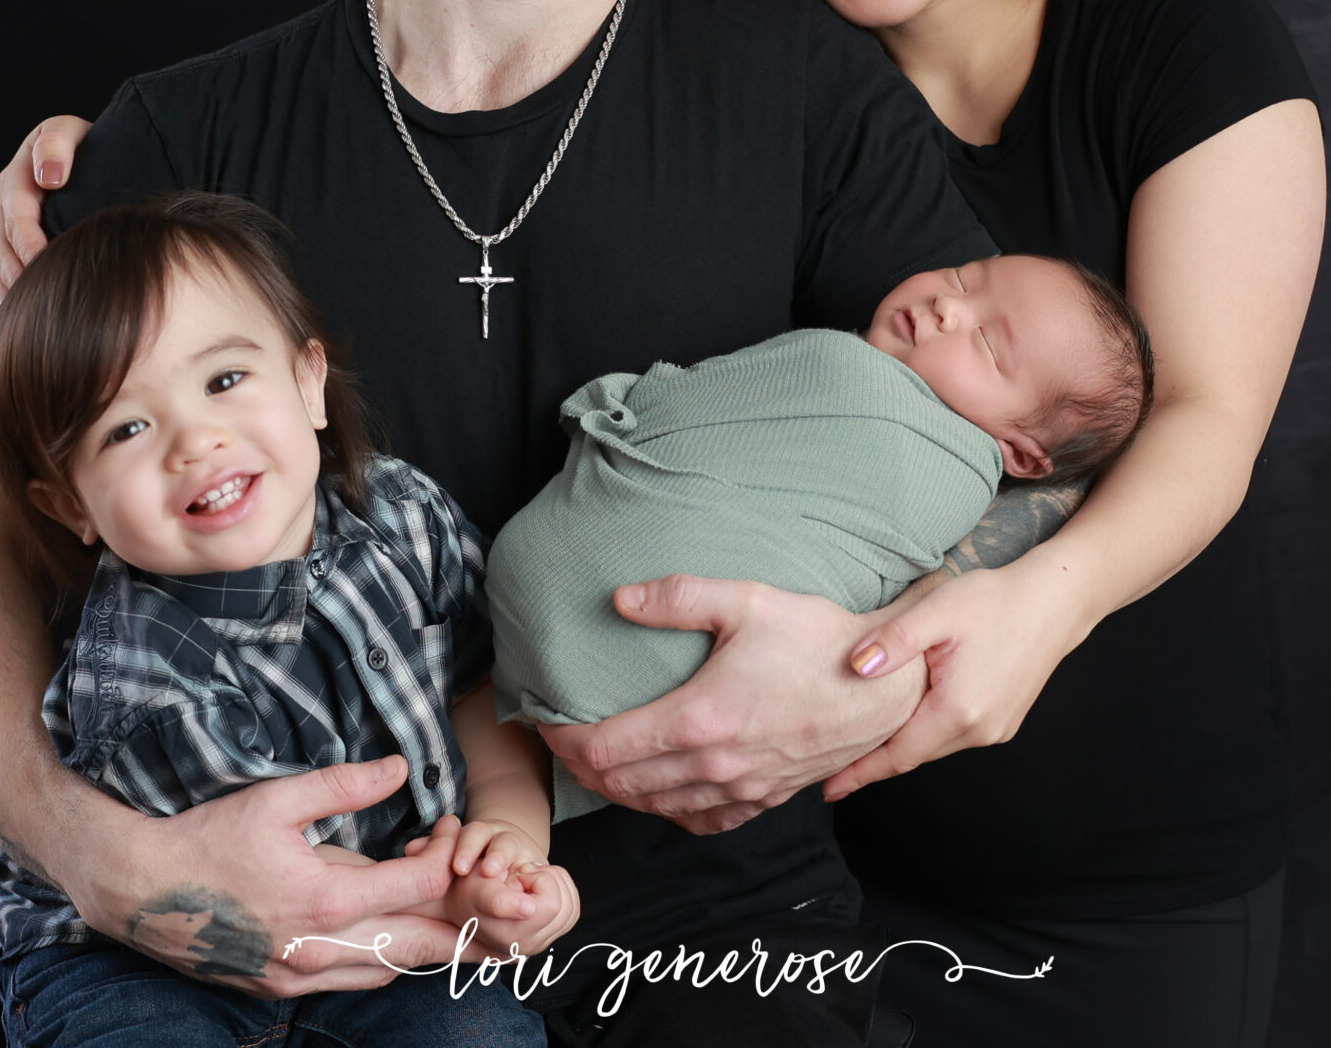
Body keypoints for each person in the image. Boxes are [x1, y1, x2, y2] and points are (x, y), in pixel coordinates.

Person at [0, 0, 996, 1046]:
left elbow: (1016, 474)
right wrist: (117, 864)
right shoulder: (179, 132)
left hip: (709, 927)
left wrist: (867, 675)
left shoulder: (802, 89)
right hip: (273, 937)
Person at [584, 0, 1318, 1047]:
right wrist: (119, 168)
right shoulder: (730, 75)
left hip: (1129, 902)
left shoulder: (1181, 38)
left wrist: (1029, 612)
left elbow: (1210, 417)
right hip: (792, 893)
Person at [0, 193, 568, 1044]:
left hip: (392, 910)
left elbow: (481, 684)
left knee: (480, 1032)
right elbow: (274, 883)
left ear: (309, 381)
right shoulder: (136, 671)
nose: (195, 441)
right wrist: (460, 898)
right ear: (71, 503)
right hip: (145, 949)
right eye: (128, 427)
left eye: (224, 379)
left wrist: (509, 843)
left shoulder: (404, 517)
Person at [492, 254, 1153, 798]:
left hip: (575, 611)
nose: (950, 306)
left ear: (1021, 455)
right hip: (631, 717)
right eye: (965, 276)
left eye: (987, 342)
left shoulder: (850, 378)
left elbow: (664, 405)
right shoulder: (955, 506)